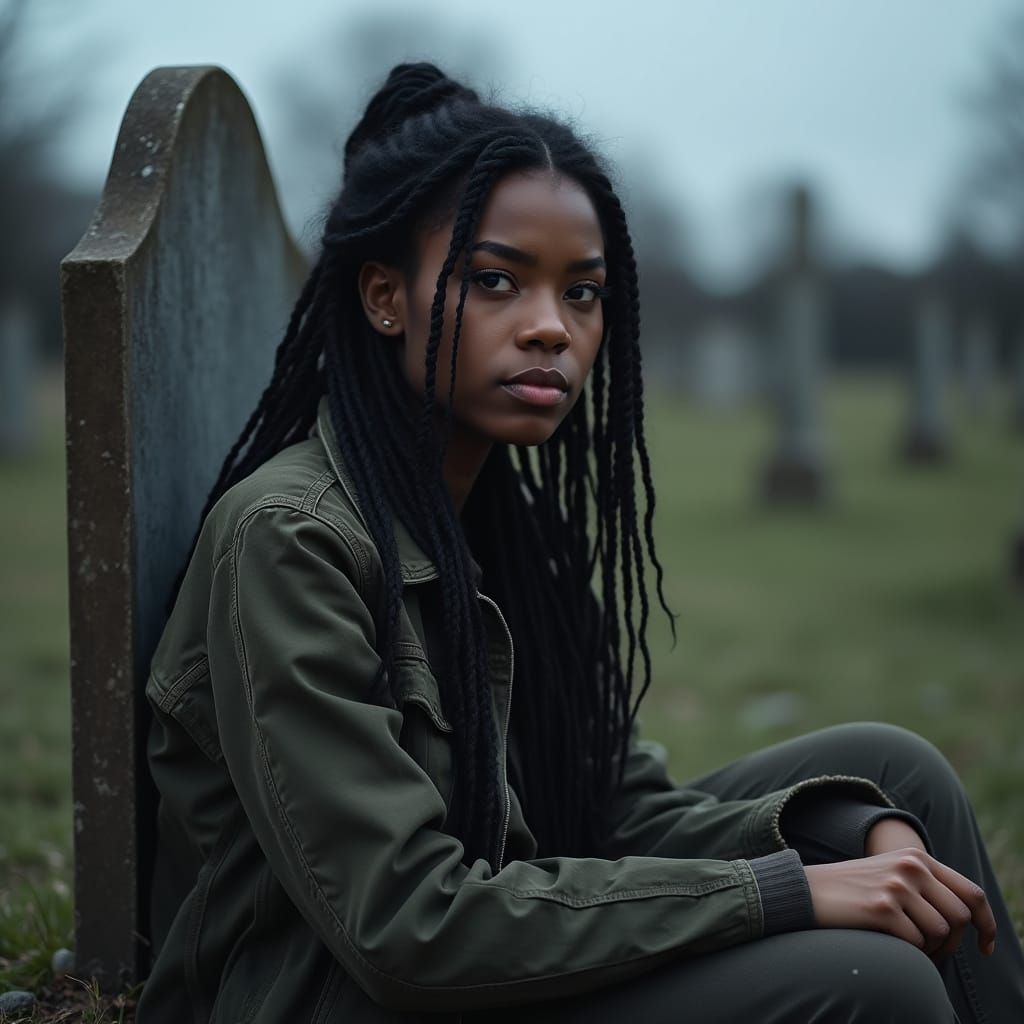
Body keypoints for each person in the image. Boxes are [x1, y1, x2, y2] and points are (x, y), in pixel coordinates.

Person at [136, 63, 1024, 1023]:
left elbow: (611, 812)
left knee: (900, 781)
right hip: (350, 994)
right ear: (386, 298)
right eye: (496, 282)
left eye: (584, 293)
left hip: (493, 940)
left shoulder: (506, 535)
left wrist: (838, 833)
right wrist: (784, 892)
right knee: (874, 983)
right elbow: (404, 929)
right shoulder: (293, 541)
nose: (552, 328)